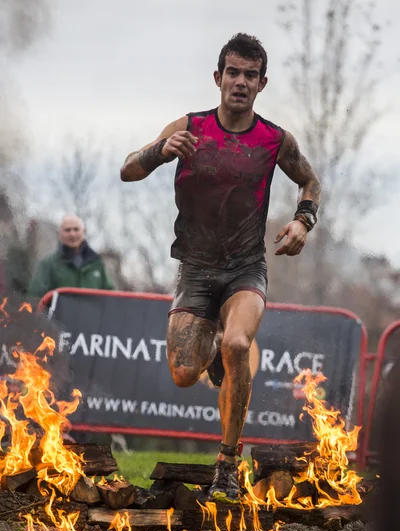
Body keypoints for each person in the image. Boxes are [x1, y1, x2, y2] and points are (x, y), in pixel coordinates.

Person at [120, 33, 321, 504]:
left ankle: (227, 462)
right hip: (195, 269)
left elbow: (310, 180)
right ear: (218, 77)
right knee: (184, 374)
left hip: (245, 268)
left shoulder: (274, 139)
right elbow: (128, 169)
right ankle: (211, 351)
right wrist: (161, 151)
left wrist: (302, 222)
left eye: (251, 75)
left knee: (237, 343)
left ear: (262, 83)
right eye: (233, 72)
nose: (241, 82)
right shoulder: (190, 126)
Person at [28, 214, 115, 299]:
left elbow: (112, 294)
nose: (72, 234)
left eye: (76, 229)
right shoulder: (47, 265)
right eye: (67, 230)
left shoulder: (96, 264)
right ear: (60, 233)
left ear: (83, 231)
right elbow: (34, 298)